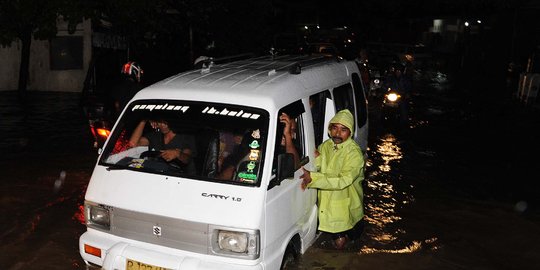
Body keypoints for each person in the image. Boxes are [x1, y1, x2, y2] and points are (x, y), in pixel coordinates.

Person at [300, 109, 365, 250]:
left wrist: (313, 178)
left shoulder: (354, 153)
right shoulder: (326, 146)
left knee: (341, 243)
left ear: (350, 132)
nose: (337, 133)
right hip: (328, 201)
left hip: (345, 205)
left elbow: (343, 180)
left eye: (343, 130)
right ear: (329, 129)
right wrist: (316, 158)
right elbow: (318, 164)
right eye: (334, 128)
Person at [128, 119, 197, 174]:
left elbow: (187, 159)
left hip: (182, 177)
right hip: (157, 174)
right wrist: (144, 121)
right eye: (160, 122)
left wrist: (177, 154)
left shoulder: (185, 136)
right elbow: (133, 143)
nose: (163, 125)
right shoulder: (155, 136)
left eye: (165, 122)